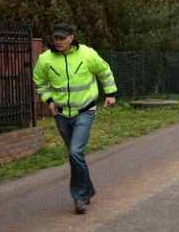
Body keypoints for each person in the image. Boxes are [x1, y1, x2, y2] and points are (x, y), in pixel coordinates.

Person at [32, 23, 117, 214]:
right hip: (61, 114)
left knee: (75, 152)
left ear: (71, 38)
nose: (59, 41)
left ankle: (79, 197)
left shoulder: (87, 54)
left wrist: (110, 93)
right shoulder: (45, 59)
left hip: (85, 110)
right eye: (56, 38)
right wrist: (49, 99)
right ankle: (88, 189)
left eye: (62, 38)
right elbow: (39, 80)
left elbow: (104, 70)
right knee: (75, 154)